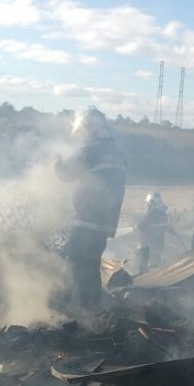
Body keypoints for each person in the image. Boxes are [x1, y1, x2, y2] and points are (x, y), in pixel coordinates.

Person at [56, 107, 126, 311]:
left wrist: (55, 161)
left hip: (85, 219)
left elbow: (66, 174)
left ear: (86, 128)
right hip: (105, 224)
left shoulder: (89, 150)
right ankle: (92, 313)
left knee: (73, 263)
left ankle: (59, 313)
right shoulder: (117, 153)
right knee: (91, 267)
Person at [138, 190, 169, 267]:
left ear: (151, 202)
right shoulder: (163, 212)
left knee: (144, 262)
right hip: (159, 242)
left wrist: (137, 226)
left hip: (149, 243)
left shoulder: (153, 212)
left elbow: (142, 223)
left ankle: (146, 276)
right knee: (156, 261)